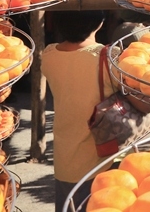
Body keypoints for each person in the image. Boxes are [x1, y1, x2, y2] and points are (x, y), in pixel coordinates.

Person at [41, 11, 112, 212]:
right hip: (100, 153)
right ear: (99, 23)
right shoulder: (108, 58)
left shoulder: (49, 55)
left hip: (65, 156)